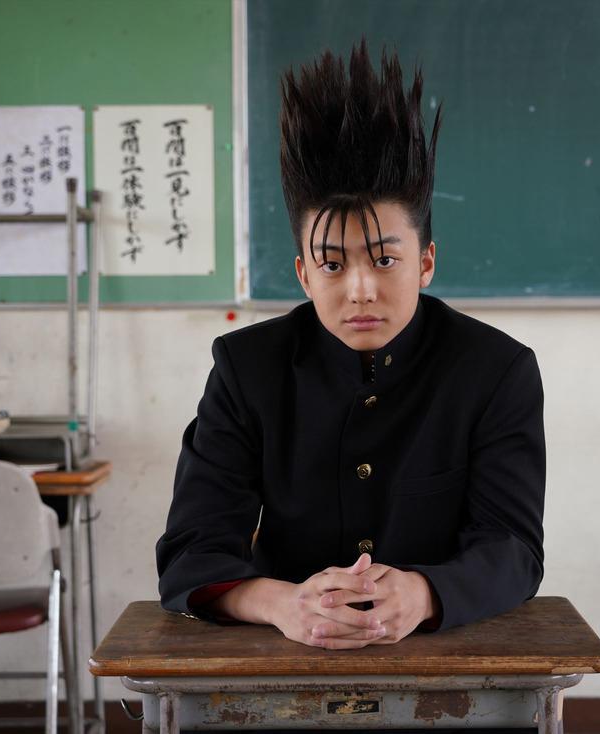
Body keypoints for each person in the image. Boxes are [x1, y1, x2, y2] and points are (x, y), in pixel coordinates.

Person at [156, 40, 545, 651]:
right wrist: (282, 603)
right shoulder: (247, 369)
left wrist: (422, 593)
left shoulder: (496, 370)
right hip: (284, 650)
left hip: (445, 649)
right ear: (304, 274)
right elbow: (191, 550)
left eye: (385, 260)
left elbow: (514, 548)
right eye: (332, 265)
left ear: (426, 262)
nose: (360, 289)